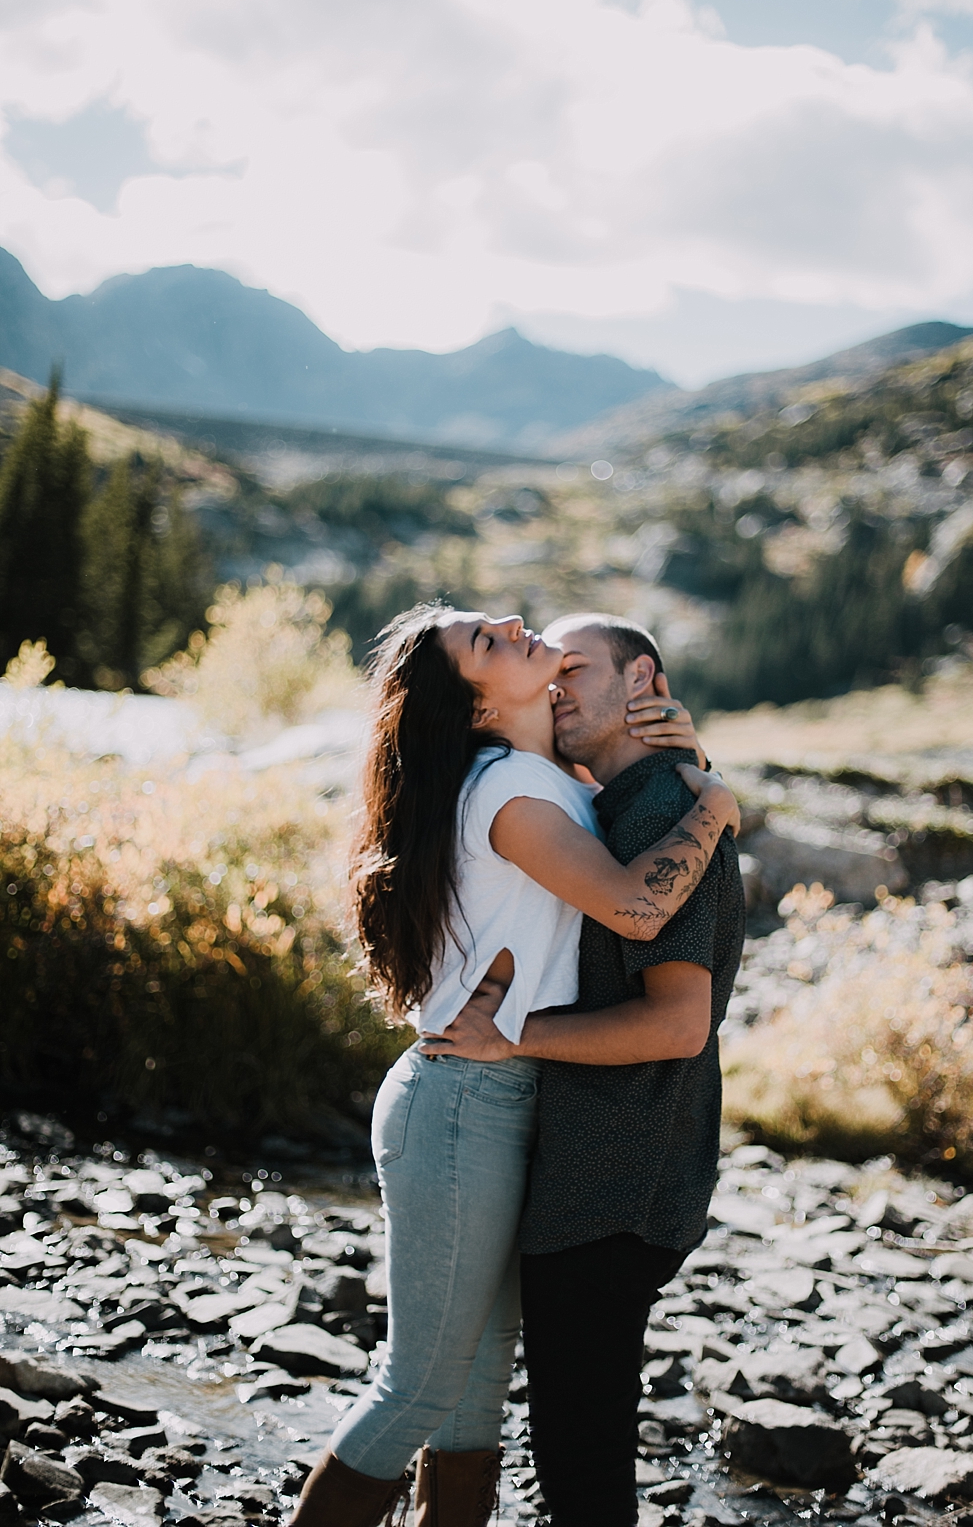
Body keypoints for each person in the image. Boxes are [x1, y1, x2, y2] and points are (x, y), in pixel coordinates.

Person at [289, 603, 740, 1527]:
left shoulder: (550, 777)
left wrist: (684, 751)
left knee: (473, 1393)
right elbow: (635, 911)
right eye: (485, 644)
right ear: (476, 711)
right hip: (466, 1098)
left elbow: (617, 753)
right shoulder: (508, 791)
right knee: (419, 1386)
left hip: (505, 1098)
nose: (508, 622)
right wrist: (715, 808)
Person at [424, 612, 746, 1527]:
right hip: (589, 1173)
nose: (556, 685)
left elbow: (678, 1024)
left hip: (616, 1180)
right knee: (569, 1448)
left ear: (640, 680)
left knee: (583, 1467)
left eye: (577, 670)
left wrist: (511, 1037)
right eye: (547, 671)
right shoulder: (616, 801)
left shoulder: (658, 811)